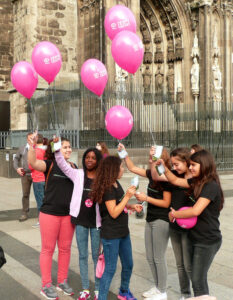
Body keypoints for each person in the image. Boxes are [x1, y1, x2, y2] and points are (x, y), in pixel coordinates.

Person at [157, 150, 223, 297]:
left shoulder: (210, 186)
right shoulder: (197, 181)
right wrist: (164, 167)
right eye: (190, 165)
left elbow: (195, 211)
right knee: (198, 278)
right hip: (196, 236)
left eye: (193, 165)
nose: (190, 168)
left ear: (204, 165)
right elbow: (175, 181)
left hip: (207, 240)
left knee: (197, 279)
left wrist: (174, 214)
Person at [118, 144, 172, 300]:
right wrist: (124, 153)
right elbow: (133, 168)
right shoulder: (152, 174)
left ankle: (162, 291)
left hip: (161, 219)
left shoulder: (165, 178)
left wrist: (146, 199)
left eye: (153, 158)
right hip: (150, 218)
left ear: (161, 160)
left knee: (158, 257)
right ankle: (157, 287)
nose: (150, 160)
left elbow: (166, 203)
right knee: (150, 256)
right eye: (150, 158)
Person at [28, 135, 77, 300]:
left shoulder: (73, 166)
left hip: (67, 216)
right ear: (57, 149)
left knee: (65, 249)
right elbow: (33, 163)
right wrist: (31, 147)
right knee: (47, 250)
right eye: (65, 147)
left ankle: (62, 281)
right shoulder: (50, 164)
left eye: (69, 147)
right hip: (49, 214)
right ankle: (46, 285)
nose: (68, 149)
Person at [54, 143, 103, 300]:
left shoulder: (102, 178)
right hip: (80, 221)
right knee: (82, 255)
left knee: (96, 256)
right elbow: (62, 165)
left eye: (93, 158)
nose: (89, 160)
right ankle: (85, 289)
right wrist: (56, 149)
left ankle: (98, 289)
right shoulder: (78, 174)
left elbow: (116, 173)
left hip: (96, 223)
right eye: (87, 157)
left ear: (98, 161)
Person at [91, 156, 142, 300]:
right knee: (110, 269)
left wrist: (131, 205)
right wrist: (127, 197)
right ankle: (101, 297)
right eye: (121, 167)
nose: (123, 169)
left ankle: (124, 291)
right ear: (113, 169)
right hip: (111, 235)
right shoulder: (107, 188)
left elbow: (119, 203)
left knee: (128, 264)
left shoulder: (115, 183)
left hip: (123, 232)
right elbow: (113, 212)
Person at [152, 148, 193, 300]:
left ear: (187, 162)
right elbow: (156, 175)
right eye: (173, 165)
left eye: (177, 164)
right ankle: (185, 294)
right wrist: (156, 161)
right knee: (180, 264)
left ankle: (198, 293)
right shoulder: (174, 174)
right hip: (175, 225)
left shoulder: (195, 178)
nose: (174, 168)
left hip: (190, 228)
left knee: (189, 265)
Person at [13, 132, 33, 222]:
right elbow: (16, 159)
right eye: (29, 139)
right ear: (27, 139)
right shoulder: (22, 148)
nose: (31, 141)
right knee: (25, 194)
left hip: (36, 174)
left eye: (33, 138)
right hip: (25, 175)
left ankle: (43, 214)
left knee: (40, 195)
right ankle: (24, 212)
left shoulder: (38, 148)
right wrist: (17, 168)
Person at [29, 133, 46, 227]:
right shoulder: (46, 151)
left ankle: (41, 221)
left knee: (40, 201)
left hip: (37, 178)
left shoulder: (34, 151)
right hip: (45, 178)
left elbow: (30, 166)